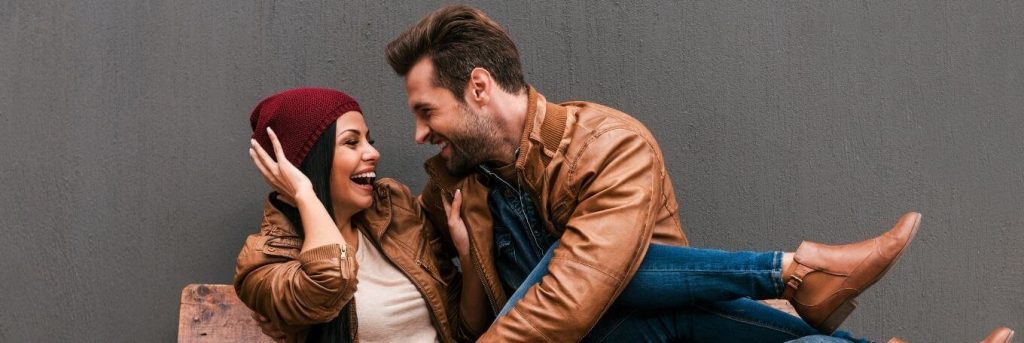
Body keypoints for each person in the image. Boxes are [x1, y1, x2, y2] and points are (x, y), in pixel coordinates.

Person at [384, 5, 1014, 342]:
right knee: (606, 274)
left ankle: (797, 276)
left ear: (478, 87)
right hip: (639, 320)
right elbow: (474, 322)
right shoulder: (458, 186)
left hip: (642, 329)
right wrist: (468, 265)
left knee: (606, 278)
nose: (417, 136)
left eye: (425, 111)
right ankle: (796, 272)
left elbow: (577, 297)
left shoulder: (608, 145)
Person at [234, 88, 473, 342]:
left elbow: (463, 328)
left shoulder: (396, 211)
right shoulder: (264, 262)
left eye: (368, 141)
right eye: (351, 142)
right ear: (309, 162)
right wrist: (304, 194)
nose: (373, 153)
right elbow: (329, 281)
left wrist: (466, 254)